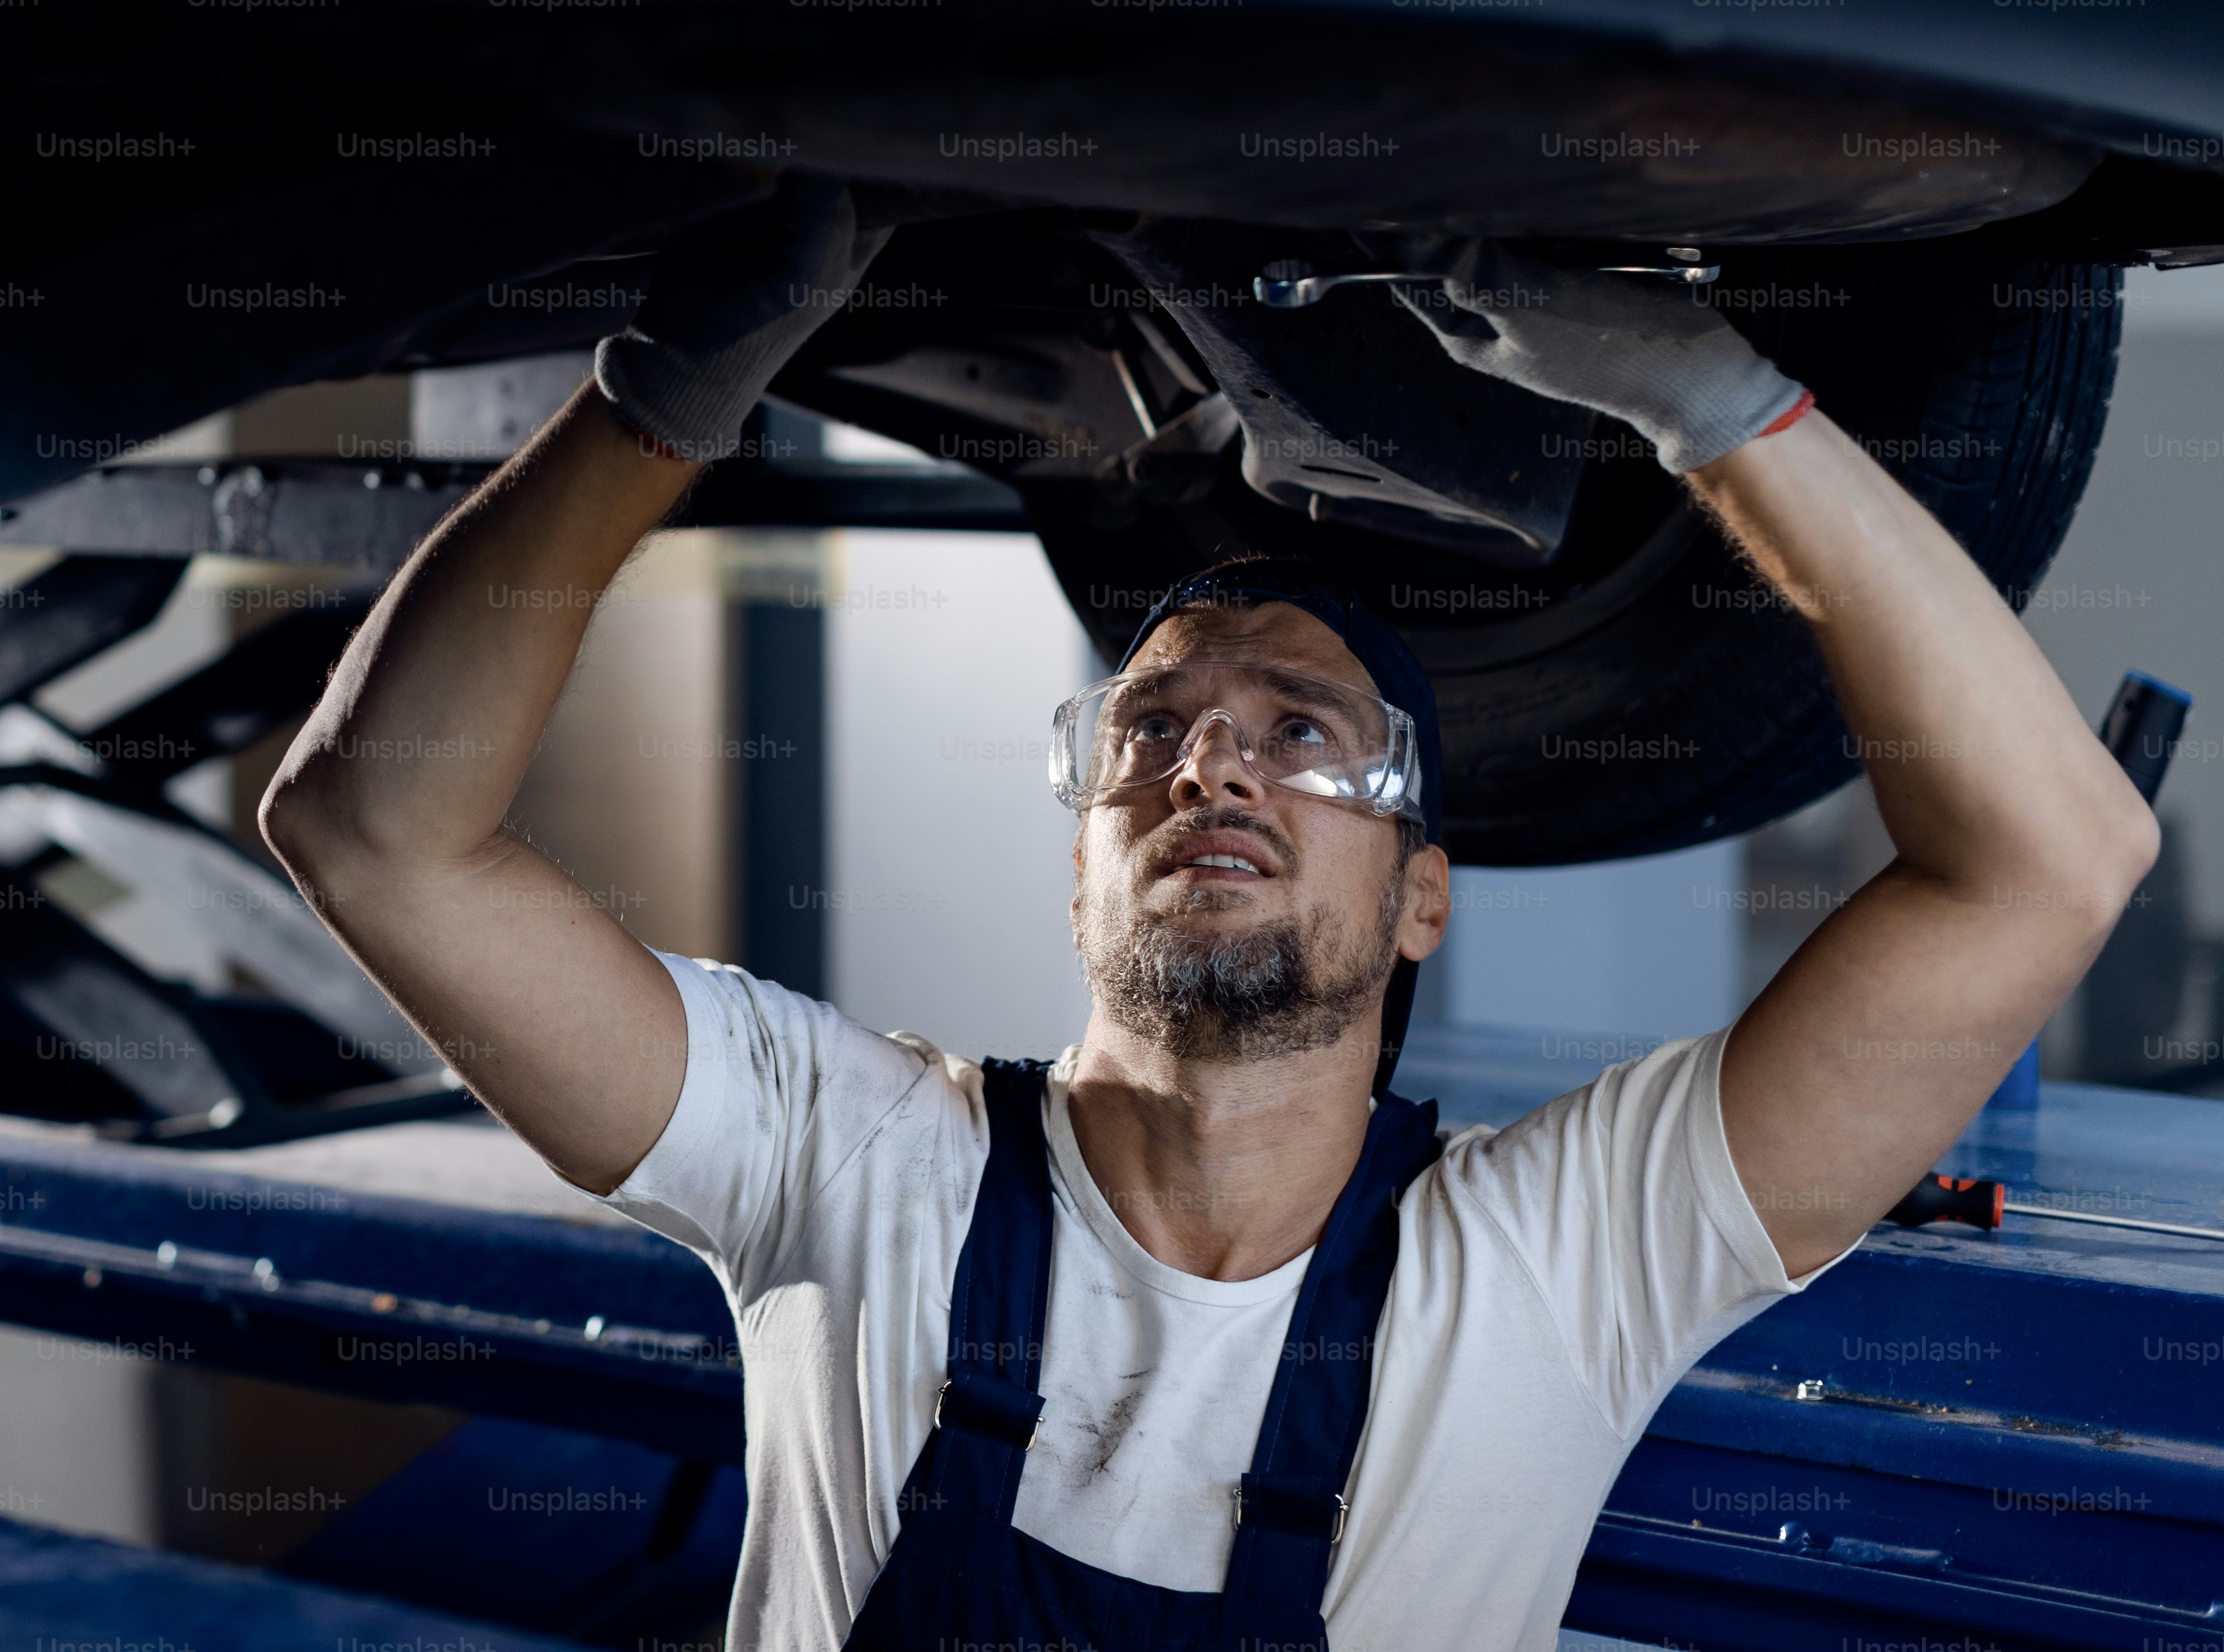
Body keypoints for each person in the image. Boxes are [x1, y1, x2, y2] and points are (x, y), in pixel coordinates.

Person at [259, 176, 2157, 1650]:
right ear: (1079, 853)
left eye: (1304, 737)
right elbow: (373, 834)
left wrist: (1724, 409)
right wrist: (655, 403)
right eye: (1154, 728)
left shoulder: (1561, 1264)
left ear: (1425, 899)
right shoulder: (847, 1158)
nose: (1216, 768)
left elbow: (2054, 863)